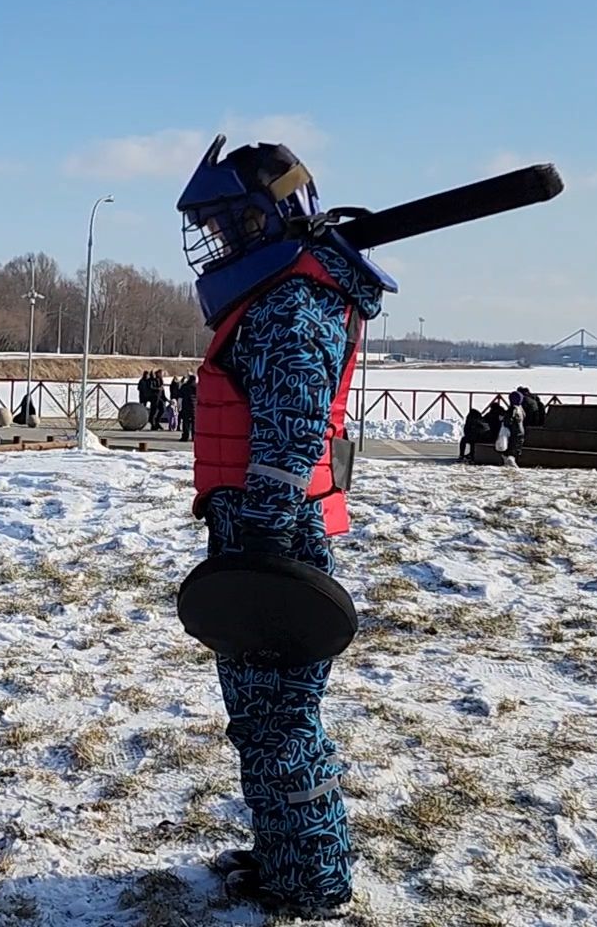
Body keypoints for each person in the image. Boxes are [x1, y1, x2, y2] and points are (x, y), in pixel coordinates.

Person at [175, 136, 391, 915]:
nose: (215, 241)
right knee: (262, 717)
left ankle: (311, 877)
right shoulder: (278, 295)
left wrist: (261, 549)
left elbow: (292, 437)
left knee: (281, 721)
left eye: (224, 223)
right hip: (257, 533)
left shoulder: (291, 306)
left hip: (277, 537)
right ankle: (284, 852)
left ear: (261, 218)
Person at [175, 374, 198, 442]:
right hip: (194, 406)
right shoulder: (197, 386)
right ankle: (194, 436)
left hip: (186, 406)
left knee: (185, 422)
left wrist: (179, 407)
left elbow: (180, 396)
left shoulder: (184, 386)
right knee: (194, 422)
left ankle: (185, 436)